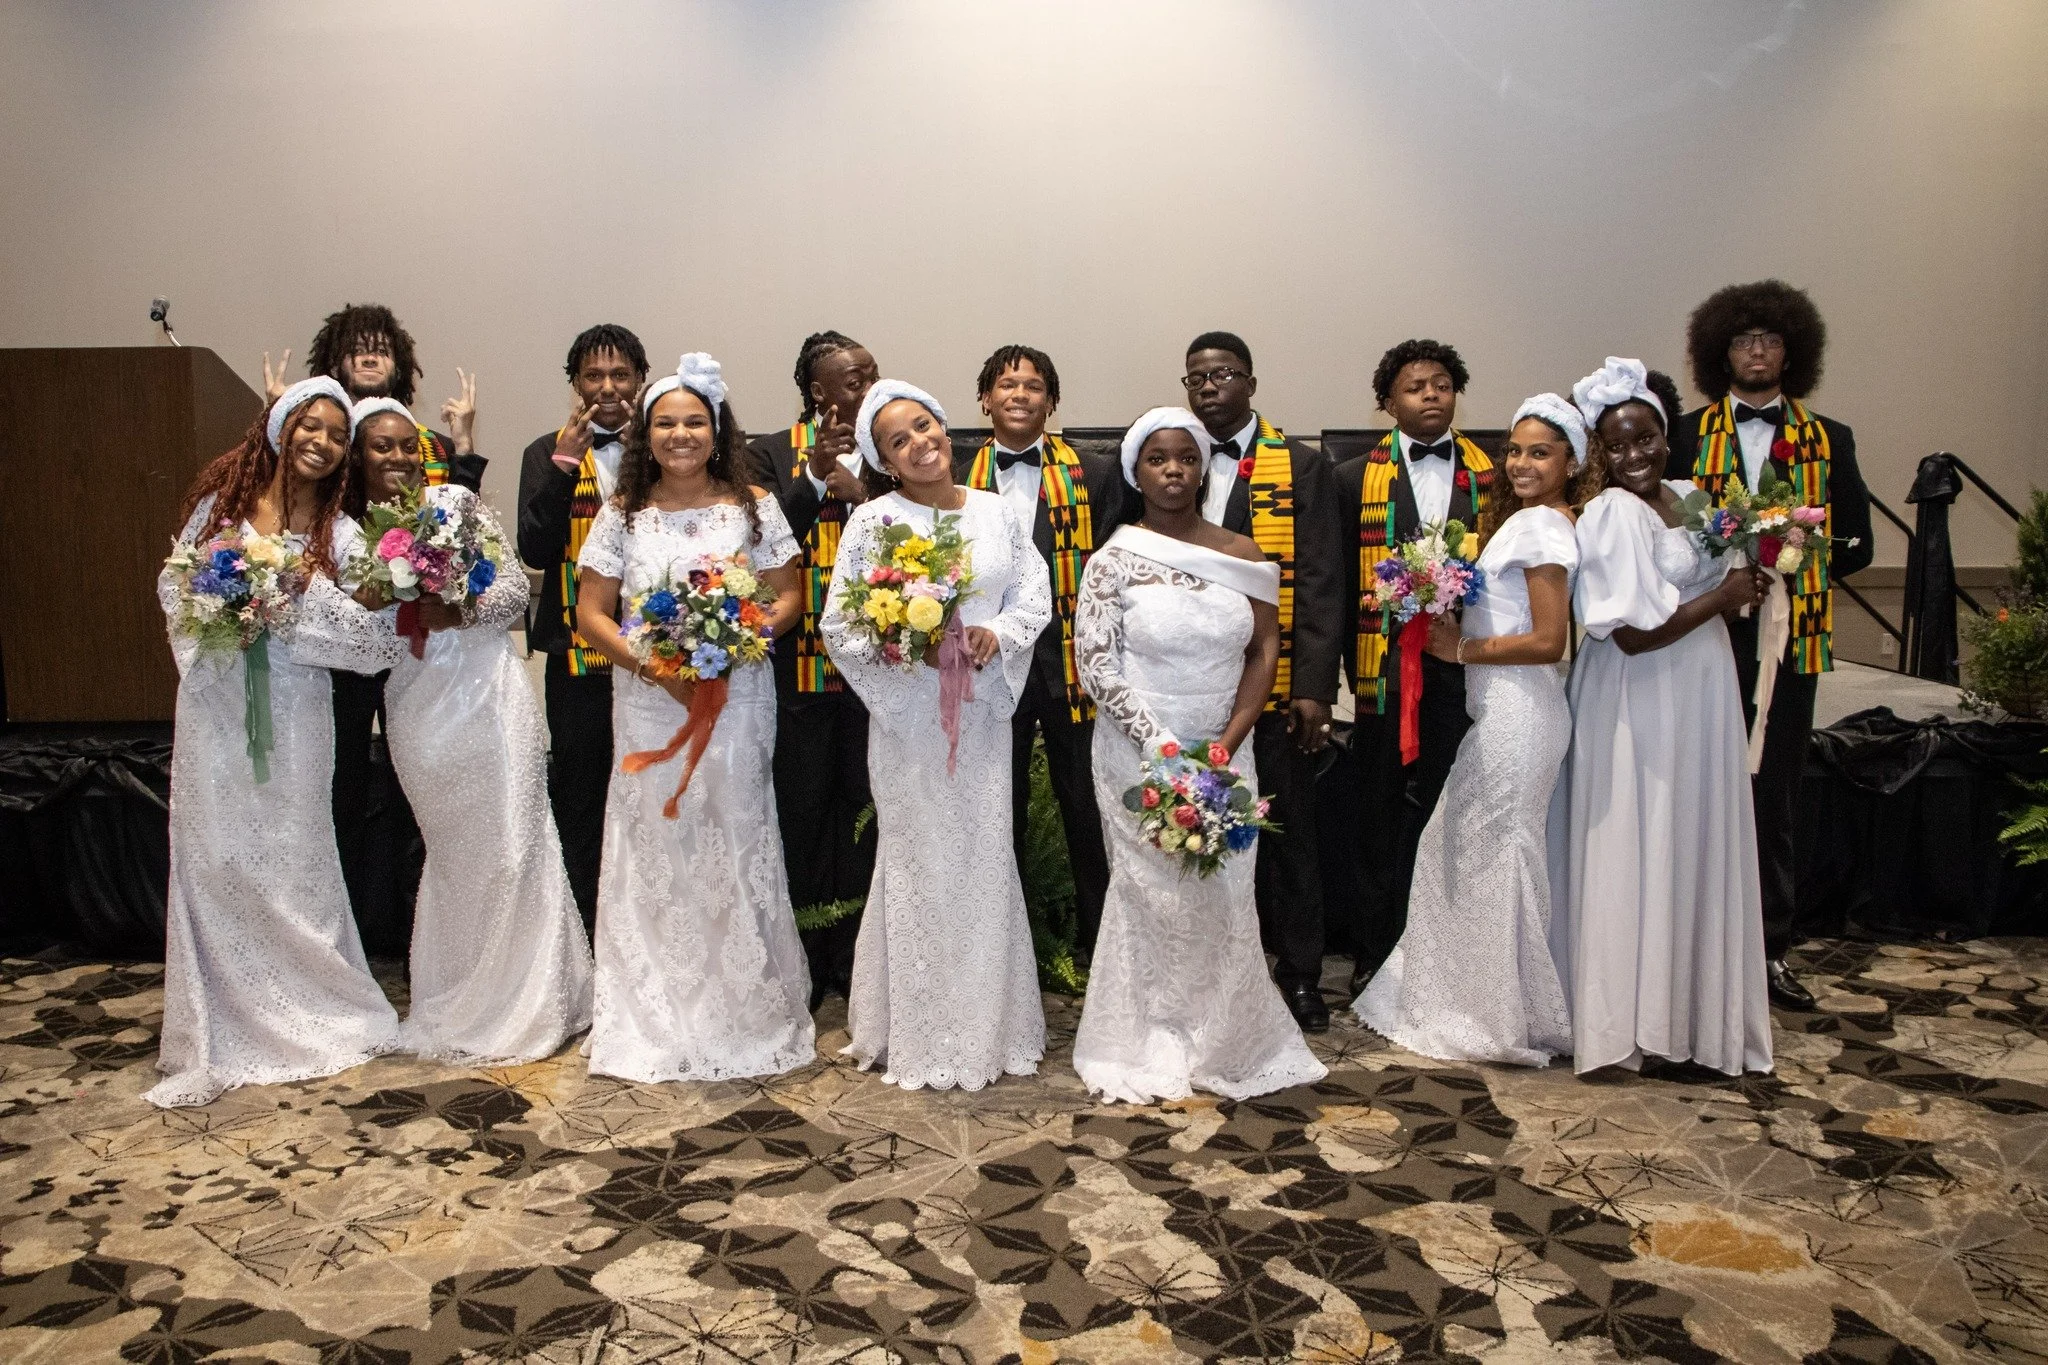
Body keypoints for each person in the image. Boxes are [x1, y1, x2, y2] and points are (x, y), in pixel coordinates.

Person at [148, 378, 406, 1107]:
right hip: (216, 701)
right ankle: (225, 1015)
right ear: (279, 427)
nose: (320, 442)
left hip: (298, 709)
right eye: (308, 426)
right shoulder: (218, 510)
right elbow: (175, 592)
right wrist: (224, 608)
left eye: (333, 434)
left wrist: (289, 604)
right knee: (219, 850)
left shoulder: (342, 532)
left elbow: (372, 636)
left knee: (292, 851)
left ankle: (303, 1003)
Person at [1071, 407, 1326, 1102]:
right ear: (1137, 471)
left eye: (1187, 457)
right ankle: (1148, 1031)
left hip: (1224, 752)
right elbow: (1096, 664)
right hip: (1137, 753)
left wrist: (1225, 744)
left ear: (1204, 466)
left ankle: (1223, 1034)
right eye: (1159, 458)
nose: (1175, 469)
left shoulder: (1241, 554)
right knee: (1151, 895)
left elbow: (1265, 646)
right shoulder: (1114, 558)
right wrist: (1163, 749)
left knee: (1222, 890)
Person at [573, 354, 815, 1082]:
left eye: (695, 422)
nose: (681, 434)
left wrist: (734, 644)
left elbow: (789, 596)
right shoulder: (621, 511)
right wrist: (656, 667)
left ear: (718, 430)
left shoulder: (754, 506)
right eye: (666, 423)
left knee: (735, 830)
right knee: (659, 839)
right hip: (647, 701)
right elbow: (591, 613)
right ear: (648, 433)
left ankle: (742, 1006)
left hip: (737, 694)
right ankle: (661, 1007)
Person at [345, 397, 593, 1065]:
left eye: (407, 445)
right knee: (457, 860)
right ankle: (459, 997)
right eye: (381, 446)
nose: (397, 457)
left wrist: (456, 607)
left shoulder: (456, 506)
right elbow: (353, 634)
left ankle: (535, 1000)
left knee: (517, 845)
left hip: (489, 698)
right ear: (356, 457)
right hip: (418, 708)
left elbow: (514, 592)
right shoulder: (348, 535)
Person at [820, 380, 1052, 1090]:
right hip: (912, 721)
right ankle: (914, 1025)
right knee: (918, 857)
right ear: (885, 460)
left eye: (924, 426)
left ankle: (992, 1023)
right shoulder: (871, 523)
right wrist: (904, 646)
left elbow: (1033, 595)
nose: (919, 443)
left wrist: (998, 632)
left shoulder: (1000, 511)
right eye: (899, 440)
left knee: (983, 855)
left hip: (981, 715)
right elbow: (841, 624)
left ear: (946, 428)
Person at [1552, 358, 1773, 1077]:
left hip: (1702, 686)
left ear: (1665, 435)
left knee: (1689, 834)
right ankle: (1630, 1021)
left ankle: (1688, 1012)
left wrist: (1757, 575)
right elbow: (1629, 633)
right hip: (1638, 694)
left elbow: (1721, 579)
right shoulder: (1611, 513)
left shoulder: (1694, 497)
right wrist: (1724, 594)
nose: (1634, 455)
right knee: (1639, 836)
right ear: (1599, 454)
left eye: (1644, 438)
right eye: (1616, 446)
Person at [1353, 395, 1588, 1065]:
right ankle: (1492, 997)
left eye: (1540, 451)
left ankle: (1492, 1012)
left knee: (1488, 849)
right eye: (1514, 449)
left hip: (1521, 709)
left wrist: (1458, 651)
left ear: (1571, 461)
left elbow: (1548, 640)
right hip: (1506, 708)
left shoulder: (1542, 526)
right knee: (1469, 846)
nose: (1520, 462)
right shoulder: (1536, 520)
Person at [1668, 281, 1874, 1011]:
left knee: (1774, 793)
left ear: (1793, 352)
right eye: (1743, 339)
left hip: (1791, 640)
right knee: (1698, 786)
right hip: (1704, 635)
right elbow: (1667, 534)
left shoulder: (1831, 438)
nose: (1757, 351)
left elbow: (1858, 545)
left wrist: (1789, 560)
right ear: (1719, 352)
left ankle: (1769, 950)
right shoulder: (1689, 435)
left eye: (1771, 340)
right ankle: (1692, 946)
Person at [269, 304, 486, 949]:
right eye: (354, 347)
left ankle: (411, 926)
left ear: (399, 360)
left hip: (421, 648)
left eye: (380, 347)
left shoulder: (432, 445)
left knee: (413, 777)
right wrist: (272, 425)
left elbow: (459, 526)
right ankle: (348, 927)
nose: (368, 356)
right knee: (339, 781)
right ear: (332, 361)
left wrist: (465, 448)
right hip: (339, 645)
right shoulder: (329, 447)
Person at [1179, 331, 1344, 1033]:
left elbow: (1320, 578)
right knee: (1199, 830)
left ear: (1251, 381)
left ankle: (1300, 974)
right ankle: (1214, 973)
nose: (1209, 386)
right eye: (1196, 378)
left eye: (1223, 374)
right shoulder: (1169, 460)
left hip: (1274, 685)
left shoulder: (1301, 467)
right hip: (1192, 679)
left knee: (1287, 835)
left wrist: (1313, 686)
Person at [1334, 339, 1496, 997]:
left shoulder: (1496, 477)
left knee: (1455, 808)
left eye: (1440, 384)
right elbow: (1337, 583)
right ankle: (1378, 949)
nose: (1430, 395)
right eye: (1413, 387)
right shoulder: (1349, 480)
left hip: (1468, 671)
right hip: (1381, 673)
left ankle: (1452, 952)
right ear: (1387, 403)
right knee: (1378, 815)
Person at [958, 344, 1116, 958]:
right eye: (1005, 384)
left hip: (1069, 661)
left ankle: (1097, 944)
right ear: (985, 399)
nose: (1019, 394)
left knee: (1086, 807)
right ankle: (1007, 948)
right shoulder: (953, 473)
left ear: (1052, 401)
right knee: (1000, 807)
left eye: (1032, 385)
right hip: (989, 663)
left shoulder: (1096, 474)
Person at [746, 332, 880, 1004]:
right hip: (795, 669)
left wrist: (865, 491)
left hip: (875, 669)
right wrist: (808, 480)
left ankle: (856, 963)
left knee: (863, 814)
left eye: (872, 376)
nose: (867, 389)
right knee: (801, 814)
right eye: (854, 379)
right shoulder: (765, 451)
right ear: (819, 391)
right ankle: (801, 960)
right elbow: (760, 539)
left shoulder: (893, 448)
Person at [519, 324, 651, 928]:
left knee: (649, 788)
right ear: (574, 384)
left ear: (640, 382)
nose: (607, 387)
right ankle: (588, 932)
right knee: (581, 794)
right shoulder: (544, 452)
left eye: (620, 375)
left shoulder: (668, 447)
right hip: (575, 656)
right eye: (593, 376)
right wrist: (565, 465)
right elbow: (536, 549)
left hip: (655, 653)